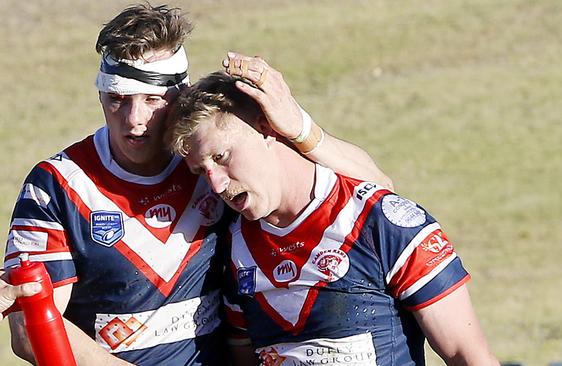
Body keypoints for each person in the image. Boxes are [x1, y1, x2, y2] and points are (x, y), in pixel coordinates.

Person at [4, 3, 390, 366]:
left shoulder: (218, 164)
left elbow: (376, 189)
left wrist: (301, 128)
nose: (134, 120)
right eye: (117, 100)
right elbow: (29, 329)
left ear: (180, 95)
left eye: (152, 100)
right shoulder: (58, 185)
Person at [168, 71, 501, 366]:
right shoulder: (229, 244)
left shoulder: (380, 224)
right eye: (201, 170)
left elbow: (467, 355)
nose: (216, 183)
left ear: (266, 127)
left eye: (221, 156)